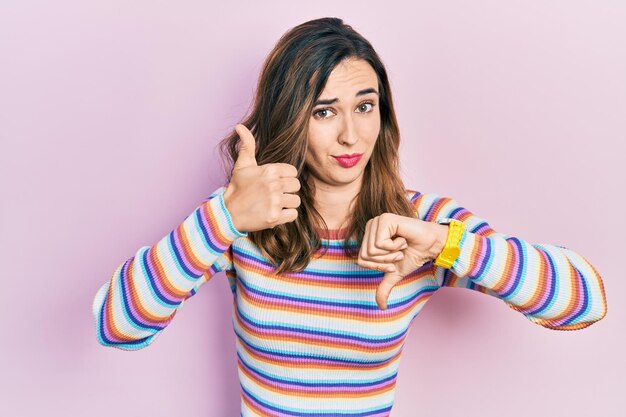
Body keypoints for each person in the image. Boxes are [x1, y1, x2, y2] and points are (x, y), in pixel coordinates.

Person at [92, 17, 608, 416]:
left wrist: (447, 245)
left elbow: (584, 302)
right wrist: (223, 218)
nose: (350, 136)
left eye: (365, 106)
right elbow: (116, 325)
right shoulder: (243, 219)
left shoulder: (421, 223)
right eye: (323, 111)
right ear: (291, 118)